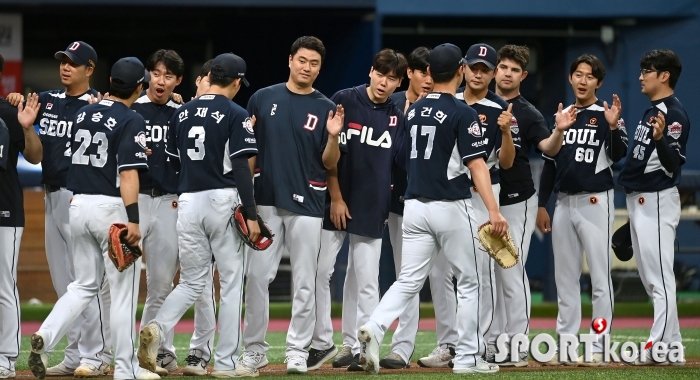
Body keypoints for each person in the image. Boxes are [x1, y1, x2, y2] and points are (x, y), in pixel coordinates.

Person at [357, 43, 507, 375]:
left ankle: (376, 326)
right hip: (449, 206)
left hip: (413, 206)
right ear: (460, 71)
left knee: (408, 279)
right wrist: (494, 211)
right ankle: (467, 358)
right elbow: (478, 166)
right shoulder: (463, 112)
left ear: (428, 73)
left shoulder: (415, 109)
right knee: (469, 281)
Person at [28, 57, 157, 380]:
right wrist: (134, 220)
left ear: (110, 81)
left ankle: (46, 333)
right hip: (109, 209)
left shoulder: (83, 112)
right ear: (139, 87)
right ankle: (126, 370)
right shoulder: (132, 118)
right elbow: (127, 174)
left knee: (82, 285)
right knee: (121, 294)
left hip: (77, 205)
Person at [137, 52, 258, 378]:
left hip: (187, 202)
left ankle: (157, 328)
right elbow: (244, 171)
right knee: (231, 284)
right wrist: (252, 212)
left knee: (191, 281)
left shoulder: (182, 113)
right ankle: (228, 363)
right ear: (235, 82)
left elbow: (175, 161)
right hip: (222, 197)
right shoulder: (237, 112)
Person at [237, 36, 344, 375]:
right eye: (302, 60)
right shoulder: (262, 98)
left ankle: (298, 350)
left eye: (313, 63)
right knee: (256, 276)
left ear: (319, 68)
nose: (306, 67)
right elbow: (248, 154)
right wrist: (246, 203)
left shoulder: (326, 106)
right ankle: (254, 350)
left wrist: (332, 136)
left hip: (308, 203)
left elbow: (330, 163)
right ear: (290, 60)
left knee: (304, 281)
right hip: (265, 201)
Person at [6, 41, 113, 377]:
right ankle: (74, 353)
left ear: (90, 69)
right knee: (64, 283)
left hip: (82, 196)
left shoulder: (100, 105)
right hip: (51, 195)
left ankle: (95, 355)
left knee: (86, 282)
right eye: (63, 61)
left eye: (74, 63)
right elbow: (35, 157)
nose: (66, 67)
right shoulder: (47, 101)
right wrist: (25, 125)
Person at [418, 43, 520, 368]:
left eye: (485, 69)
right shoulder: (449, 101)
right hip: (448, 193)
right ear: (463, 68)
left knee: (481, 272)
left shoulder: (500, 107)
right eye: (474, 66)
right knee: (440, 271)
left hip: (482, 195)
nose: (478, 73)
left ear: (492, 74)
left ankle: (482, 342)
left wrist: (505, 132)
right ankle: (449, 343)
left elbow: (506, 162)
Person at [308, 48, 407, 372]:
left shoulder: (396, 114)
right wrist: (336, 198)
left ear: (399, 82)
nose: (384, 82)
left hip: (371, 203)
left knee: (366, 281)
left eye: (392, 78)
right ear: (370, 71)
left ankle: (364, 349)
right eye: (381, 74)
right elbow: (329, 154)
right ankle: (324, 342)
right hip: (335, 199)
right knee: (321, 272)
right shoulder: (344, 100)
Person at [537, 54, 626, 366]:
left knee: (600, 279)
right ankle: (566, 345)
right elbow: (550, 164)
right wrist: (541, 205)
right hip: (563, 203)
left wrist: (614, 128)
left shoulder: (607, 115)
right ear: (570, 78)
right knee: (565, 279)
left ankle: (599, 345)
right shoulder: (563, 115)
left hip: (595, 201)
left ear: (598, 83)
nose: (583, 80)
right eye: (578, 74)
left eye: (590, 76)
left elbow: (619, 155)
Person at [489, 45, 575, 366]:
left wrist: (559, 131)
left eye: (514, 69)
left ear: (523, 75)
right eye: (504, 67)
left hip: (516, 201)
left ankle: (519, 344)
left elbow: (548, 148)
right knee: (490, 274)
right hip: (487, 200)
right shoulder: (481, 103)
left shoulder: (527, 113)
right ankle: (494, 342)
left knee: (510, 269)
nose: (508, 73)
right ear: (495, 69)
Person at [132, 49, 213, 376]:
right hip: (134, 201)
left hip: (169, 202)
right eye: (156, 73)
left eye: (168, 75)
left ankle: (160, 351)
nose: (160, 80)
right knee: (122, 283)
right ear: (147, 74)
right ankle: (129, 352)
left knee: (162, 283)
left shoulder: (183, 113)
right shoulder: (131, 109)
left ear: (179, 80)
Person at [617, 49, 689, 365]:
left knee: (659, 280)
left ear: (664, 75)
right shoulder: (653, 112)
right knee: (654, 281)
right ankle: (672, 346)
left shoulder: (673, 113)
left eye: (647, 70)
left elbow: (673, 166)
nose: (640, 76)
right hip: (641, 203)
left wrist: (661, 139)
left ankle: (657, 348)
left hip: (656, 201)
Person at [370, 46, 432, 370]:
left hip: (422, 200)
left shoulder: (438, 108)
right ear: (409, 74)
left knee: (410, 276)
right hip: (388, 199)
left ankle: (403, 349)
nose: (428, 79)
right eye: (422, 71)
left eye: (433, 73)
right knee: (377, 274)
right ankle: (361, 344)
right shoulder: (390, 103)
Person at [0, 54, 42, 379]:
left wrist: (27, 126)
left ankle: (5, 358)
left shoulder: (9, 112)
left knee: (3, 286)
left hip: (5, 209)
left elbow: (35, 156)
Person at [180, 58, 219, 377]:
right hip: (177, 203)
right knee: (168, 283)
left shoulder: (226, 115)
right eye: (208, 78)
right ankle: (161, 350)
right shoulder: (178, 112)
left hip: (213, 205)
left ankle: (199, 352)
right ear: (198, 80)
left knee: (203, 283)